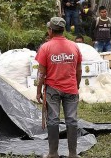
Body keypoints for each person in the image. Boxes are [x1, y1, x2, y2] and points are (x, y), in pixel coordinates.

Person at [36, 17, 82, 158]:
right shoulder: (74, 46)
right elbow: (79, 71)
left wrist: (38, 91)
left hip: (52, 90)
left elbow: (41, 73)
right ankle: (73, 154)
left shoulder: (45, 47)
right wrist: (76, 85)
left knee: (53, 120)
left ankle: (53, 153)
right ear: (63, 30)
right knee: (72, 120)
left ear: (50, 31)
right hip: (71, 89)